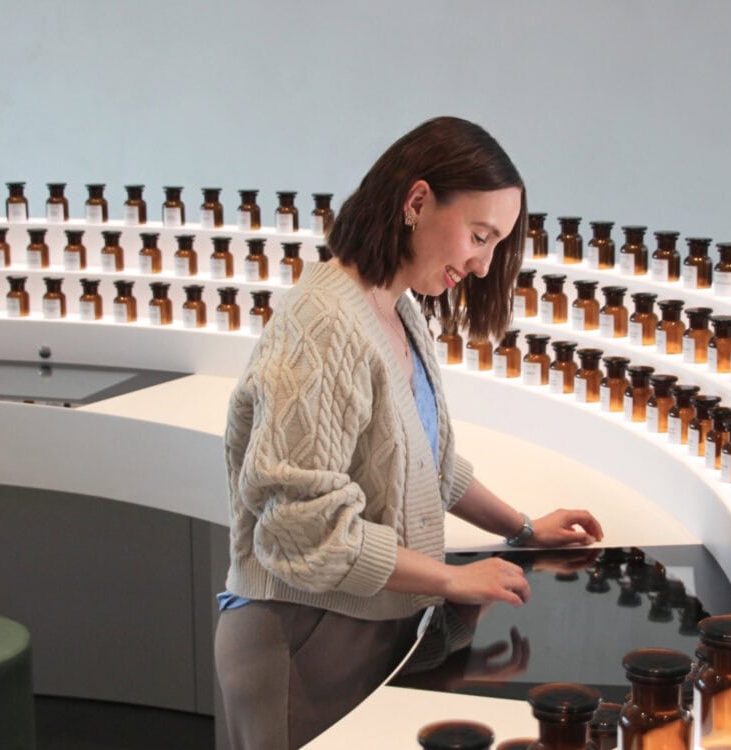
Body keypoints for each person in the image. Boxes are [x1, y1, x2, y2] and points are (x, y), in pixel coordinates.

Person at [215, 116, 604, 749]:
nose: (482, 266)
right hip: (303, 639)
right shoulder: (323, 327)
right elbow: (300, 530)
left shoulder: (395, 307)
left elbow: (430, 463)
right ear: (417, 202)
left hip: (369, 622)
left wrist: (524, 528)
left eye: (495, 246)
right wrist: (452, 578)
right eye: (479, 236)